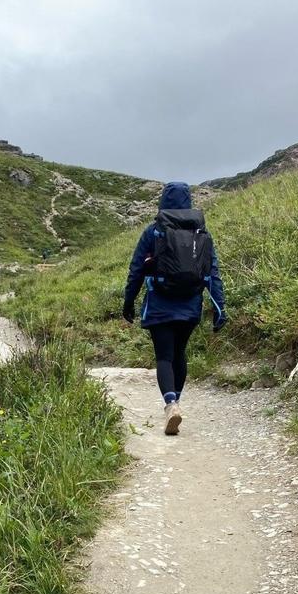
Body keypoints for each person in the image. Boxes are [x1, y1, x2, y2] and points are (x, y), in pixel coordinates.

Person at [122, 181, 227, 435]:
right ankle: (176, 402)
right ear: (188, 202)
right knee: (179, 353)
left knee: (164, 356)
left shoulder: (153, 231)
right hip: (191, 304)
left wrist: (129, 300)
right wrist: (219, 308)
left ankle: (171, 404)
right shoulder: (202, 234)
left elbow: (136, 268)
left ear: (164, 201)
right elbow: (212, 273)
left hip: (160, 303)